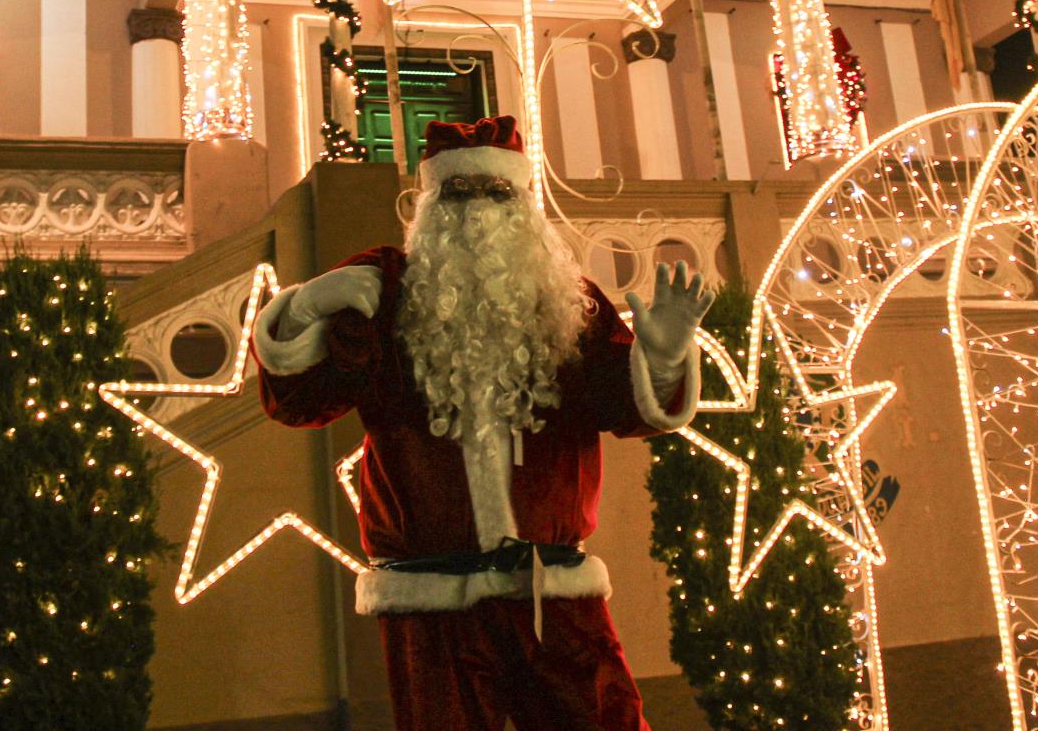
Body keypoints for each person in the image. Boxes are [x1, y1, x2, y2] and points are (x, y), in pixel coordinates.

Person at [252, 115, 711, 731]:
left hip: (552, 590)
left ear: (523, 204)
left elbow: (626, 408)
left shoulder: (569, 304)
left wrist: (664, 357)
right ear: (428, 205)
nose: (477, 209)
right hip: (430, 603)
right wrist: (303, 309)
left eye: (497, 191)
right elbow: (301, 402)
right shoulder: (388, 296)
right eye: (458, 191)